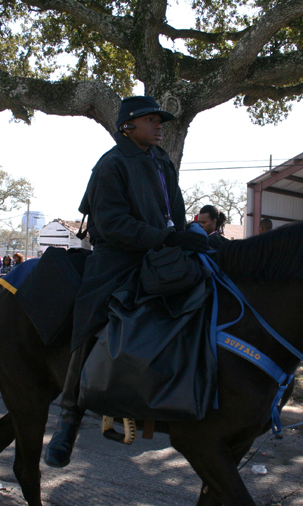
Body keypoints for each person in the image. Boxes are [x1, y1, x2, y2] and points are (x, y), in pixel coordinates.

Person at [45, 95, 207, 468]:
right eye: (151, 119)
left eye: (159, 120)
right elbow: (113, 224)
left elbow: (175, 212)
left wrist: (186, 237)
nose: (159, 125)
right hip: (117, 256)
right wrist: (165, 237)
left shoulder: (162, 161)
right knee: (92, 315)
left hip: (160, 251)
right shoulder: (111, 164)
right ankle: (69, 416)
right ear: (127, 126)